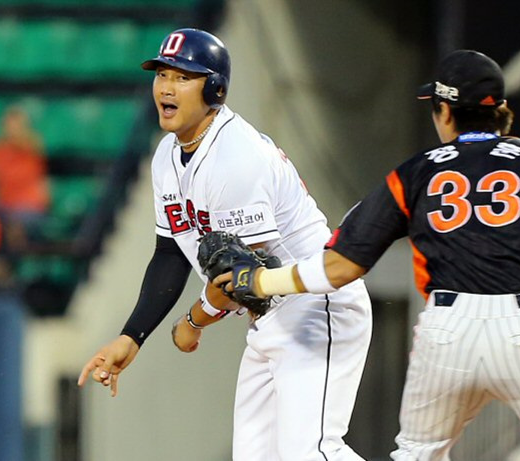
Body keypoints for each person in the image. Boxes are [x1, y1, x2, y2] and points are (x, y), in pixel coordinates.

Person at [213, 50, 520, 460]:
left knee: (416, 454)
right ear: (500, 110)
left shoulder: (416, 171)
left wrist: (262, 281)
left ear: (444, 111)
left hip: (447, 334)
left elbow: (340, 267)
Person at [77, 28, 372, 461]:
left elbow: (251, 278)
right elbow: (170, 253)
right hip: (270, 316)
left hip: (314, 306)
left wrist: (194, 321)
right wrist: (132, 336)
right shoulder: (166, 156)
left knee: (311, 453)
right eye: (162, 74)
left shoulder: (236, 157)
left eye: (183, 76)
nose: (166, 86)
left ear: (215, 89)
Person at [0, 105, 50, 252]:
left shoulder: (33, 145)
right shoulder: (0, 150)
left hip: (29, 209)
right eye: (9, 125)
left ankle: (14, 265)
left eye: (17, 125)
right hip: (5, 207)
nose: (12, 129)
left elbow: (32, 145)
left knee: (16, 227)